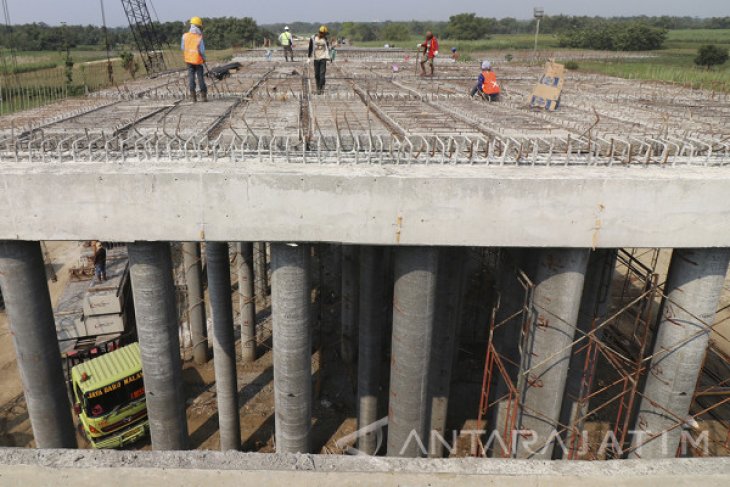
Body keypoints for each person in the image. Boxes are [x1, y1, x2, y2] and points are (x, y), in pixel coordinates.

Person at [181, 16, 207, 102]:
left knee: (191, 78)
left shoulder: (185, 36)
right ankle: (203, 97)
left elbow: (182, 48)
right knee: (200, 78)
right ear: (198, 26)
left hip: (189, 61)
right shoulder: (199, 37)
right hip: (198, 61)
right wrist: (204, 59)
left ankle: (193, 97)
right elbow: (202, 51)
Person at [308, 25, 331, 94]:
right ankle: (318, 87)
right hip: (316, 58)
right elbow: (310, 47)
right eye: (324, 34)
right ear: (321, 33)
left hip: (323, 58)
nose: (325, 35)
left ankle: (321, 88)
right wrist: (309, 57)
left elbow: (327, 48)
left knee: (322, 75)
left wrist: (329, 57)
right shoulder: (313, 38)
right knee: (316, 75)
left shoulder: (325, 39)